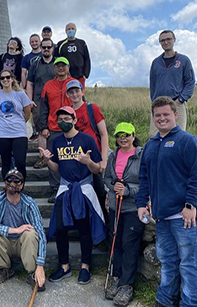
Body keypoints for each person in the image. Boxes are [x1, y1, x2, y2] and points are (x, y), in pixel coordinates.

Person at [136, 96, 197, 307]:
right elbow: (144, 178)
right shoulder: (150, 145)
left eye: (166, 114)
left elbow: (196, 175)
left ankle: (190, 302)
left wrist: (191, 205)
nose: (161, 118)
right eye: (158, 115)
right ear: (153, 118)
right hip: (161, 217)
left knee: (189, 264)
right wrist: (141, 203)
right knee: (168, 262)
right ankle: (165, 300)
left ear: (175, 115)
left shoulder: (187, 141)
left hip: (184, 217)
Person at [39, 106, 105, 285]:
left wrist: (88, 161)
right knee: (60, 228)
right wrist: (47, 160)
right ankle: (64, 265)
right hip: (65, 188)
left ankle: (85, 266)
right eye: (60, 119)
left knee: (84, 228)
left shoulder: (87, 139)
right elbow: (57, 167)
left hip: (83, 188)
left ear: (75, 120)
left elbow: (98, 168)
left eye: (67, 119)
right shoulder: (57, 141)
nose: (63, 122)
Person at [0, 169, 47, 292]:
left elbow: (41, 232)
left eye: (16, 181)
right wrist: (15, 230)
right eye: (9, 180)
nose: (12, 184)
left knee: (31, 233)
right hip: (5, 242)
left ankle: (33, 272)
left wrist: (40, 265)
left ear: (22, 185)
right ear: (5, 183)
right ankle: (5, 270)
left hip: (22, 244)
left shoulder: (29, 203)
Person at [104, 123, 144, 306]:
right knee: (116, 241)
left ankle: (127, 284)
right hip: (115, 206)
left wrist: (128, 190)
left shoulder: (141, 156)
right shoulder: (113, 155)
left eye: (127, 135)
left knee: (129, 244)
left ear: (134, 136)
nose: (123, 138)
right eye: (120, 135)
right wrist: (113, 186)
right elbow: (106, 178)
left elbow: (146, 182)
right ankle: (116, 277)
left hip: (133, 208)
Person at [66, 79, 109, 221]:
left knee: (99, 193)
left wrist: (103, 159)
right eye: (71, 92)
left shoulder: (92, 108)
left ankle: (104, 227)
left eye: (77, 91)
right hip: (75, 161)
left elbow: (103, 134)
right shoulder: (67, 112)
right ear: (67, 95)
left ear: (82, 91)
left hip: (93, 159)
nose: (74, 94)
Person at [39, 57, 74, 203]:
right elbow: (43, 107)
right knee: (53, 159)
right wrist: (43, 127)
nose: (61, 68)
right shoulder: (48, 85)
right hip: (53, 128)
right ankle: (55, 189)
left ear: (68, 67)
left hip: (71, 128)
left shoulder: (73, 84)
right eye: (58, 66)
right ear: (54, 68)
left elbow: (80, 103)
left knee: (71, 159)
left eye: (63, 66)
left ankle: (71, 188)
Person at [0, 70, 32, 180]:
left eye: (7, 77)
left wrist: (20, 123)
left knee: (20, 162)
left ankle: (20, 187)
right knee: (6, 162)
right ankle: (8, 188)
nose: (5, 80)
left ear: (12, 79)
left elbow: (27, 113)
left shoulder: (20, 94)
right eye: (2, 78)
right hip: (2, 134)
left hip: (19, 133)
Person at [149, 30, 195, 136]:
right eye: (162, 40)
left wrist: (180, 99)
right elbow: (153, 84)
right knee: (154, 136)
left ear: (174, 40)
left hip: (177, 103)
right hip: (159, 104)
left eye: (168, 39)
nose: (165, 42)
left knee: (178, 136)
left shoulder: (183, 60)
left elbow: (190, 81)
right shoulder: (156, 62)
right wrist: (154, 102)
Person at [26, 38, 56, 169]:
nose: (46, 49)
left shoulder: (57, 64)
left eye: (48, 47)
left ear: (52, 48)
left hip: (55, 100)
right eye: (44, 47)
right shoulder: (35, 65)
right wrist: (29, 100)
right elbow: (30, 83)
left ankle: (55, 156)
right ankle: (42, 157)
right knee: (40, 130)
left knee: (55, 129)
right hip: (39, 100)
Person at [55, 22, 90, 90]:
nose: (71, 30)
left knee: (79, 96)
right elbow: (56, 59)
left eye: (72, 29)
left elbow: (87, 59)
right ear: (65, 31)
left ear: (76, 30)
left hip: (79, 75)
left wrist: (85, 74)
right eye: (69, 29)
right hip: (65, 76)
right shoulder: (60, 44)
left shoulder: (82, 43)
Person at [21, 33, 42, 141]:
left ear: (40, 42)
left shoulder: (45, 54)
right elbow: (23, 73)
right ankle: (35, 131)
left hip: (43, 85)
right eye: (32, 41)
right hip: (31, 85)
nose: (34, 43)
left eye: (36, 41)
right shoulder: (26, 57)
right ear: (30, 43)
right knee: (33, 108)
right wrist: (24, 86)